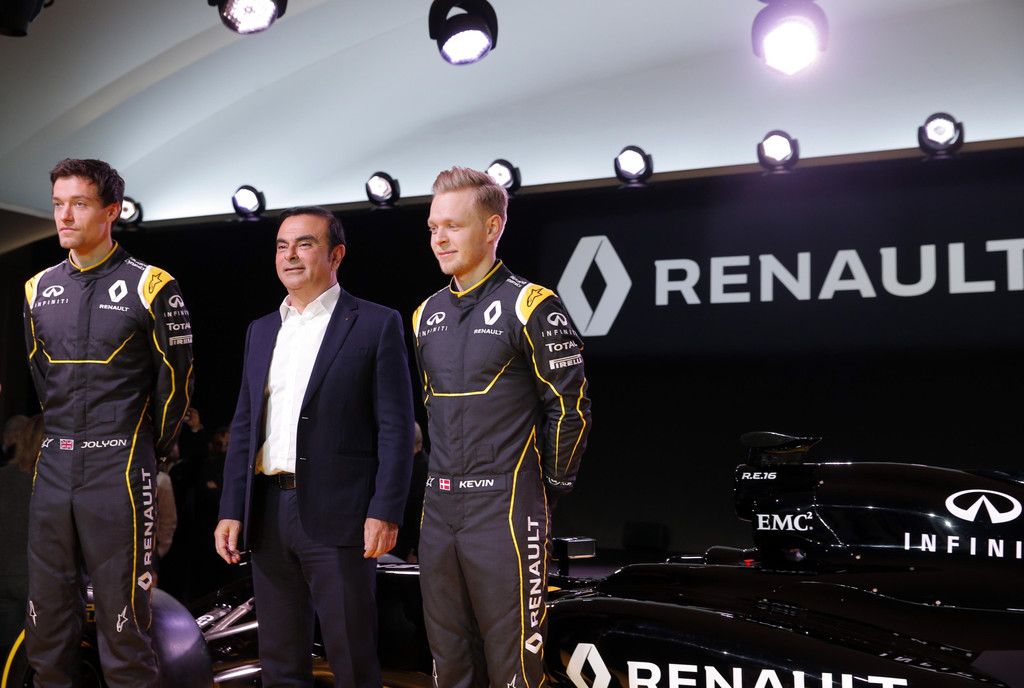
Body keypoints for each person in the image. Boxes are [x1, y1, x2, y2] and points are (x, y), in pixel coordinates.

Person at [215, 206, 414, 688]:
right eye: (282, 246)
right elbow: (246, 424)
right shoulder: (262, 330)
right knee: (280, 662)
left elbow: (396, 428)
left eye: (304, 244)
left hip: (341, 514)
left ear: (336, 255)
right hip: (267, 512)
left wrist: (385, 510)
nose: (290, 256)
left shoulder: (375, 323)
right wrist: (231, 508)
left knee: (351, 658)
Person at [413, 167, 592, 687]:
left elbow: (570, 408)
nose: (440, 239)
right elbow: (430, 409)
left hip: (506, 507)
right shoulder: (424, 314)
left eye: (453, 226)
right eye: (433, 227)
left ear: (492, 227)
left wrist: (549, 488)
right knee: (448, 661)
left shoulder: (532, 304)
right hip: (438, 507)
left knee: (514, 664)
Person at [22, 158, 194, 687]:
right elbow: (41, 379)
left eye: (79, 204)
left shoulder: (152, 285)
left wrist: (142, 451)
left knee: (124, 631)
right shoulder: (36, 288)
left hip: (119, 468)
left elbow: (176, 389)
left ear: (111, 210)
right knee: (46, 625)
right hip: (53, 466)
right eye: (58, 204)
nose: (64, 216)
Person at [0, 414, 42, 659]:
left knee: (7, 659)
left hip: (5, 580)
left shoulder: (3, 477)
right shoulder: (49, 486)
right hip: (37, 585)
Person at [393, 422, 429, 563]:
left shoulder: (416, 471)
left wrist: (414, 550)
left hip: (409, 553)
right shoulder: (427, 464)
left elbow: (418, 513)